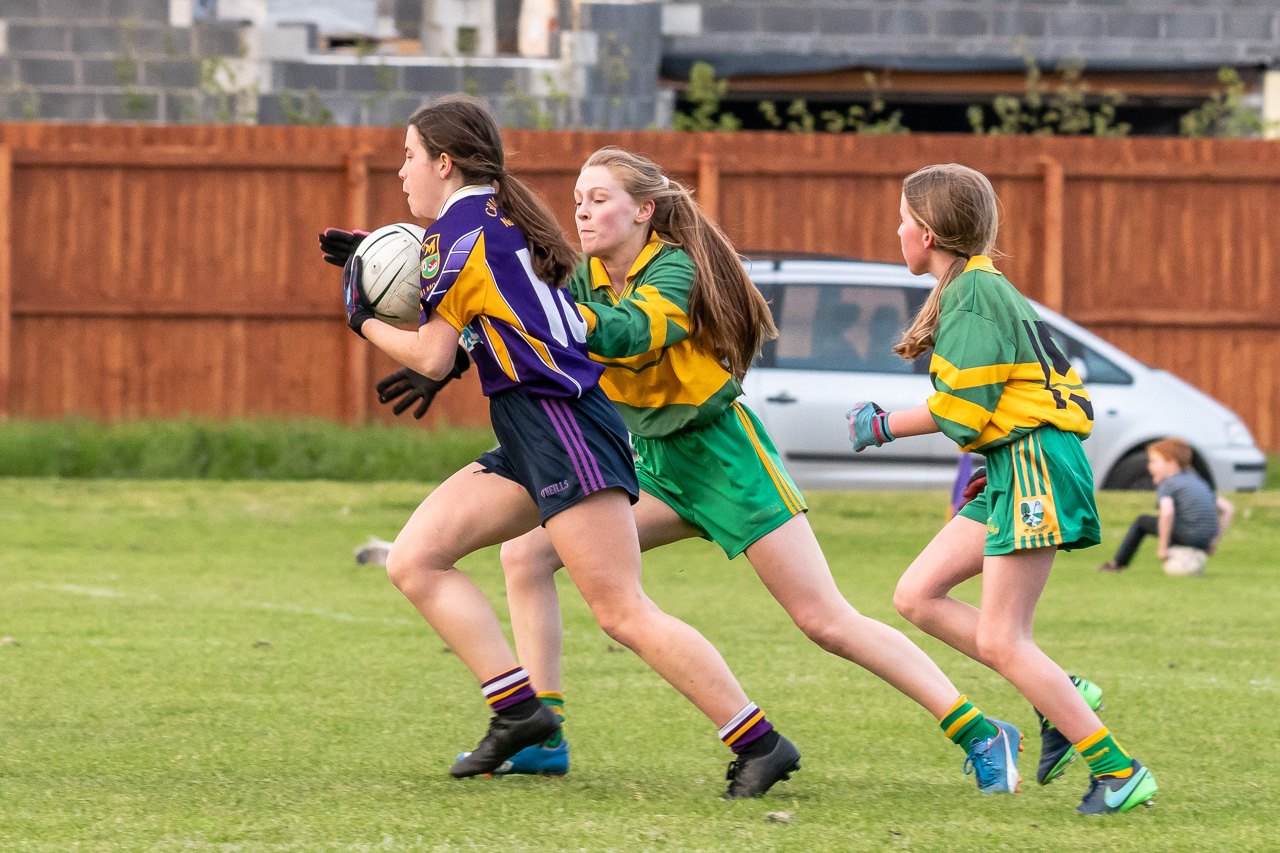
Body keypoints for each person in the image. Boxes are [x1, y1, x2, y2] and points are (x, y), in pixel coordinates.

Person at [383, 146, 1020, 794]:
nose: (582, 209)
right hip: (652, 460)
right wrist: (456, 354)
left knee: (825, 620)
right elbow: (534, 331)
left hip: (725, 459)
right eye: (578, 198)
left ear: (644, 211)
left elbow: (629, 333)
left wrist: (536, 315)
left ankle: (979, 730)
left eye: (599, 198)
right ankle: (545, 737)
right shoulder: (586, 281)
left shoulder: (673, 271)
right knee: (526, 555)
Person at [324, 96, 799, 798]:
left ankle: (761, 742)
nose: (401, 172)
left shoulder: (460, 239)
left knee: (622, 611)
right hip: (528, 426)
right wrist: (381, 253)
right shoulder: (481, 225)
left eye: (408, 156)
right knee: (418, 557)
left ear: (444, 163)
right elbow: (485, 312)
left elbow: (430, 354)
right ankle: (520, 712)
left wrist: (361, 313)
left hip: (565, 426)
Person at [849, 163, 1157, 815]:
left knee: (1002, 640)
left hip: (1036, 463)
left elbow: (961, 408)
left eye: (902, 218)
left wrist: (880, 424)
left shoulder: (976, 293)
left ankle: (1119, 772)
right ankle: (1060, 691)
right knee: (917, 594)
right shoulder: (972, 287)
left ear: (927, 233)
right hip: (1015, 463)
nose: (896, 228)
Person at [1099, 437, 1234, 573]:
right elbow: (1228, 508)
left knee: (1142, 521)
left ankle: (1117, 564)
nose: (1149, 467)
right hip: (1204, 540)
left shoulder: (1169, 483)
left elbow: (1167, 512)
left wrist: (1162, 548)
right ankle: (1191, 560)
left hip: (1185, 536)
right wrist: (1213, 544)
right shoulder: (1198, 482)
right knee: (1179, 520)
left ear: (1172, 464)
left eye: (1154, 461)